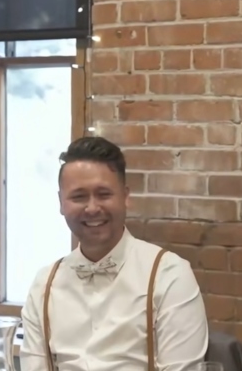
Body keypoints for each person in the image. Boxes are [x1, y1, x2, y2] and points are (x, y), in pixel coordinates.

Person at [19, 136, 208, 371]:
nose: (92, 208)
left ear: (125, 196)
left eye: (104, 194)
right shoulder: (44, 284)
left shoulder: (170, 275)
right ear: (61, 202)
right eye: (78, 197)